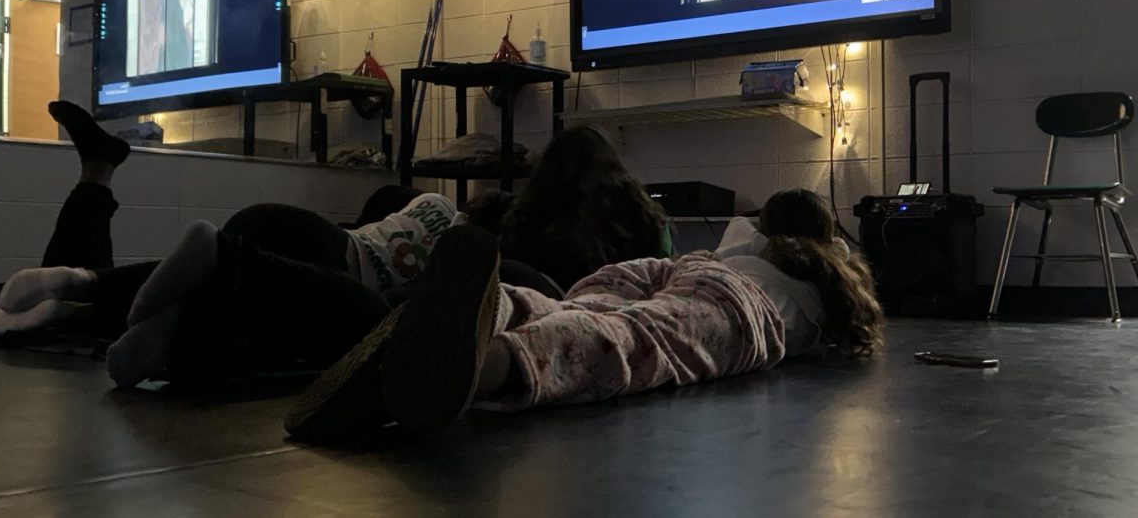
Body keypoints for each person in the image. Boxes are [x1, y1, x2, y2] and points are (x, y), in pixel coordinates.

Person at [284, 189, 884, 441]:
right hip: (735, 307)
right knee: (631, 340)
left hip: (670, 267)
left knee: (576, 306)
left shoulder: (745, 243)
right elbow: (853, 332)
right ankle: (485, 364)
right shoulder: (826, 277)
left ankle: (496, 311)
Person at [0, 101, 455, 387]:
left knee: (183, 280)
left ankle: (78, 285)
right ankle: (92, 300)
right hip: (315, 252)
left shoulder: (411, 213)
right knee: (217, 290)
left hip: (291, 231)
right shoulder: (445, 243)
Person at [498, 125, 672, 294]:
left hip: (541, 311)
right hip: (618, 311)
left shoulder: (528, 213)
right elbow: (660, 269)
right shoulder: (637, 210)